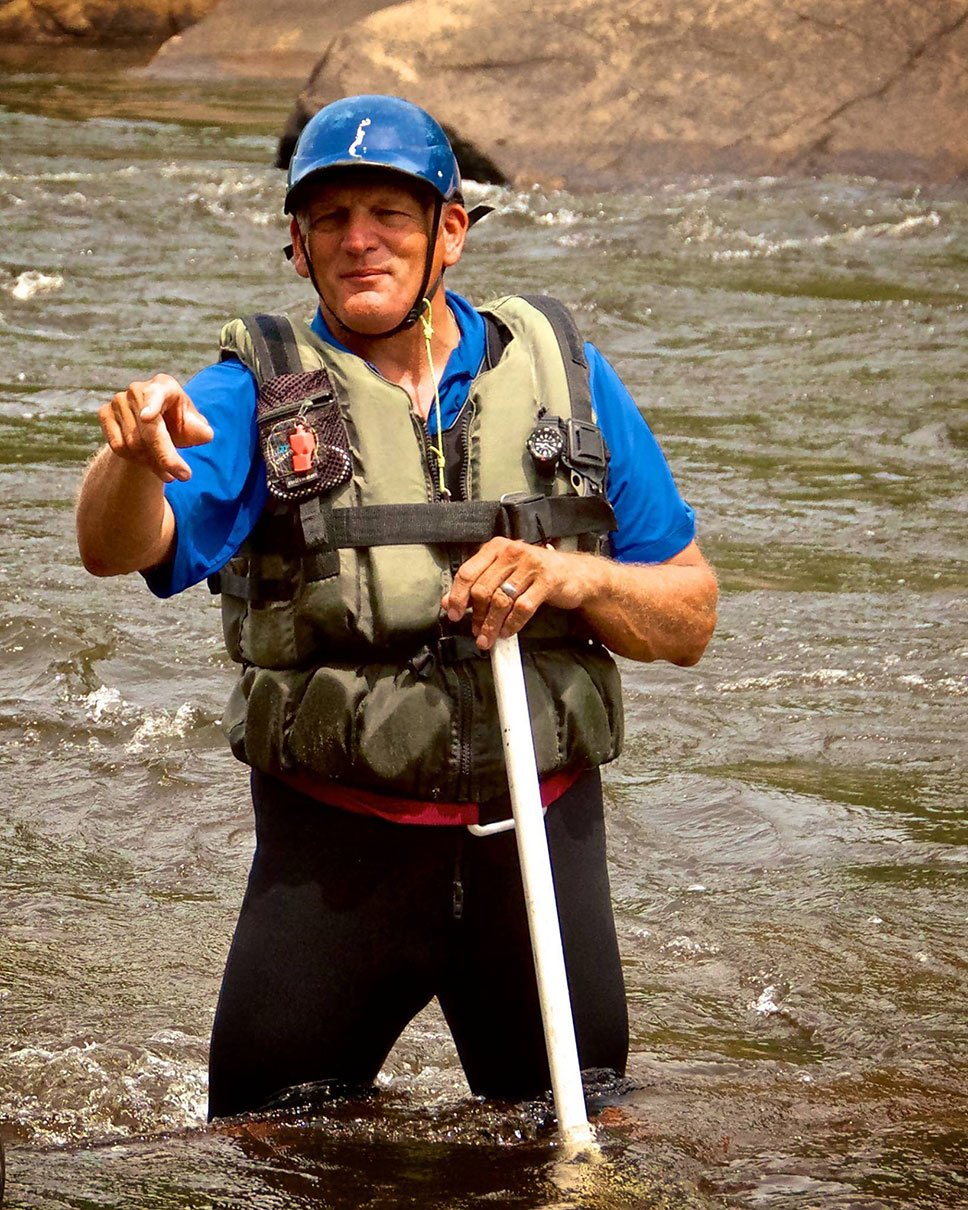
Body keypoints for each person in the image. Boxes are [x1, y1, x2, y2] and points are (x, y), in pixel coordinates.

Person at [75, 94, 717, 1121]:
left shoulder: (566, 376)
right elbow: (118, 547)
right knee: (267, 1154)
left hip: (535, 848)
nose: (358, 240)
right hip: (336, 859)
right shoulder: (251, 395)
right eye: (329, 218)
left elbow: (687, 616)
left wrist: (573, 576)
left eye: (389, 213)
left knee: (569, 1137)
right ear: (295, 245)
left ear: (449, 231)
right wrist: (125, 460)